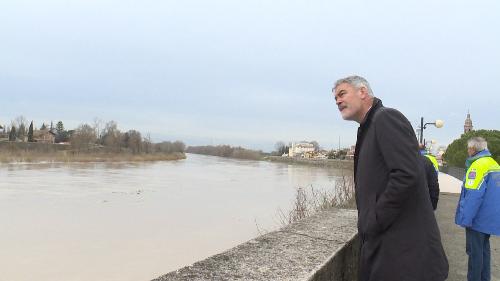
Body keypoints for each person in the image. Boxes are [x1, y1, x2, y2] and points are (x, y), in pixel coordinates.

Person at [333, 75, 448, 281]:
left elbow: (407, 174)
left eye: (342, 94)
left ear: (362, 92)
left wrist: (375, 220)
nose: (338, 101)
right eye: (335, 98)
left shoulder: (386, 118)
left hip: (404, 255)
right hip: (391, 249)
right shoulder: (369, 126)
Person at [455, 137, 500, 281]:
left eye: (469, 148)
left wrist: (466, 219)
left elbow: (473, 197)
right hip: (490, 218)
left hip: (477, 219)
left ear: (473, 149)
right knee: (484, 251)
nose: (467, 151)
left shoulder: (477, 166)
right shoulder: (494, 164)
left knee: (474, 253)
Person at [419, 144, 440, 210]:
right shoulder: (432, 159)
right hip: (426, 198)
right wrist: (433, 205)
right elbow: (434, 184)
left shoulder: (408, 157)